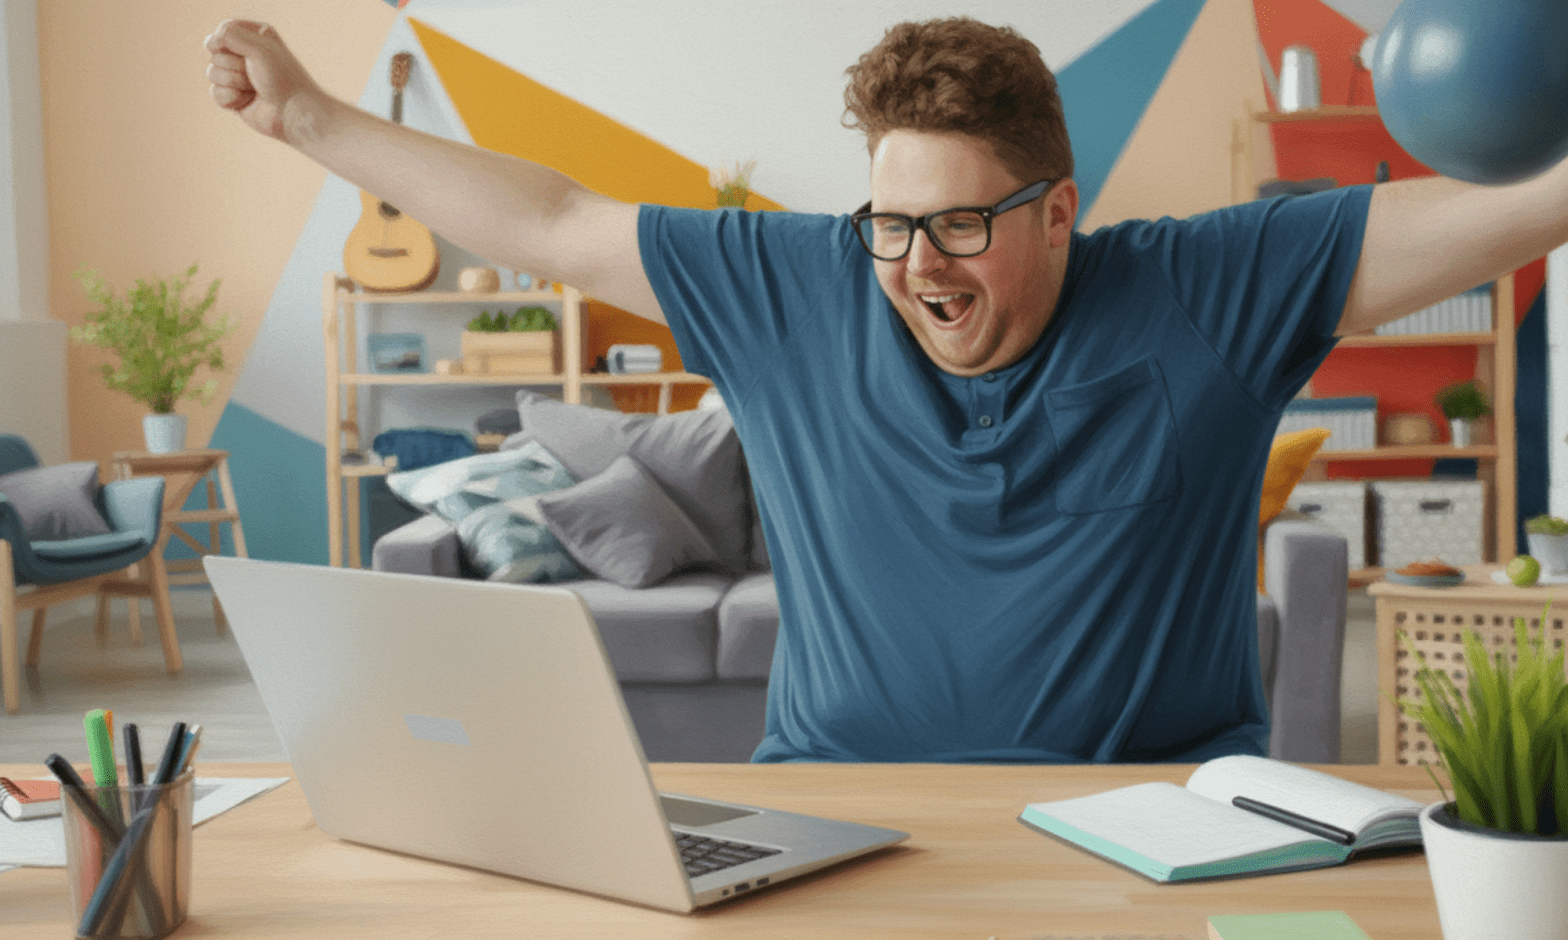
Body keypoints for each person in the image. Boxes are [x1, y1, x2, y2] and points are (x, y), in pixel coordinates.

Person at [207, 16, 1568, 763]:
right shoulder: (797, 285)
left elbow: (1464, 223)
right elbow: (556, 218)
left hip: (1156, 824)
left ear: (1058, 213)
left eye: (962, 225)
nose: (918, 265)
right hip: (847, 823)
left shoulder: (1204, 290)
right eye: (892, 223)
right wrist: (309, 118)